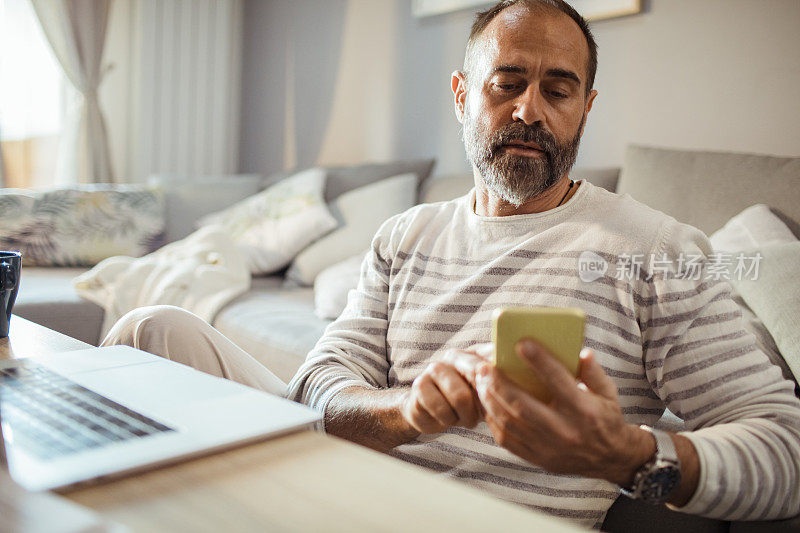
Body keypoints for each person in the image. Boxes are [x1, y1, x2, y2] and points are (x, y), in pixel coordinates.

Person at [104, 0, 800, 528]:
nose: (530, 109)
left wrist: (630, 453)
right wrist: (407, 410)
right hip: (345, 491)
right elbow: (318, 383)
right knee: (153, 328)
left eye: (558, 90)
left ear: (584, 110)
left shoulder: (658, 251)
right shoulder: (407, 235)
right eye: (507, 83)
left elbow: (785, 447)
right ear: (464, 96)